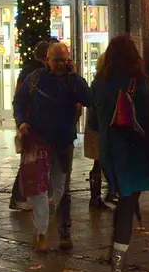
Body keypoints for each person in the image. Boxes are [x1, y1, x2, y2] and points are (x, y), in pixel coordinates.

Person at [13, 40, 92, 253]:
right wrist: (21, 122)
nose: (59, 64)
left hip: (63, 141)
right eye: (56, 60)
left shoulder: (72, 80)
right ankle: (41, 232)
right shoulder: (36, 79)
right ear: (47, 60)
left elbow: (87, 98)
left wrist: (73, 75)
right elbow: (19, 102)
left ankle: (64, 232)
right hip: (39, 140)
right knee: (39, 188)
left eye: (64, 60)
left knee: (62, 188)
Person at [89, 34, 149, 272]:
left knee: (123, 200)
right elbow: (146, 117)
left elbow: (94, 121)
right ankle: (118, 263)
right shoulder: (138, 81)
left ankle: (117, 253)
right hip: (133, 148)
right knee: (128, 202)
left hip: (109, 149)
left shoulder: (99, 82)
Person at [10, 40, 52, 211]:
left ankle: (27, 196)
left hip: (27, 122)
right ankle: (19, 197)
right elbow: (21, 99)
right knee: (30, 161)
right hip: (31, 123)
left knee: (32, 160)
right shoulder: (36, 73)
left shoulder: (29, 70)